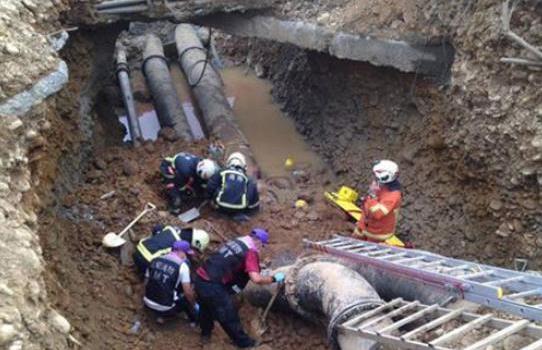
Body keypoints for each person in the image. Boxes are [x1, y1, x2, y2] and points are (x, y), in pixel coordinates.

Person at [194, 228, 284, 348]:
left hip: (201, 277)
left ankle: (205, 334)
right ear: (258, 242)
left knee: (205, 308)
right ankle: (245, 344)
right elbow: (256, 279)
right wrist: (274, 279)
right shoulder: (251, 251)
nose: (261, 248)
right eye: (262, 245)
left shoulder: (237, 241)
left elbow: (231, 259)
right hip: (213, 284)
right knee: (228, 315)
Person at [143, 240, 199, 322]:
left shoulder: (155, 259)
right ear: (180, 251)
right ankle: (194, 320)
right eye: (186, 254)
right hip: (166, 309)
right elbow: (187, 293)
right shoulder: (182, 266)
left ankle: (157, 312)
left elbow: (145, 283)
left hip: (147, 302)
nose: (186, 257)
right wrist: (194, 304)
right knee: (189, 295)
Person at [354, 160, 402, 242]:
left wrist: (372, 195)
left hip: (377, 233)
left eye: (376, 177)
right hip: (368, 228)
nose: (374, 180)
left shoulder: (393, 195)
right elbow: (367, 209)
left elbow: (378, 213)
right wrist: (360, 226)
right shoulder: (383, 187)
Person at [133, 225, 210, 275]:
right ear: (196, 243)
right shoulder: (179, 247)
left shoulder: (170, 229)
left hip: (138, 249)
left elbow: (157, 228)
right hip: (146, 262)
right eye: (196, 250)